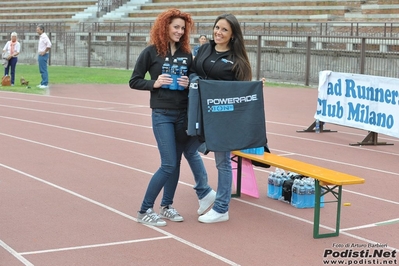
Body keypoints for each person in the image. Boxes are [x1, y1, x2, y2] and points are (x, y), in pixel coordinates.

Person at [129, 8, 216, 227]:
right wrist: (154, 83)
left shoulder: (186, 54)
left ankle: (166, 206)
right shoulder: (150, 53)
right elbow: (134, 80)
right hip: (162, 114)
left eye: (182, 29)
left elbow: (195, 77)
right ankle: (144, 209)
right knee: (168, 163)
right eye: (175, 27)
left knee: (175, 163)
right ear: (164, 27)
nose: (179, 31)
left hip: (182, 114)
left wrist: (189, 82)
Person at [192, 13, 253, 223]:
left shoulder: (238, 61)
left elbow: (242, 93)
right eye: (217, 27)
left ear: (233, 35)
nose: (219, 32)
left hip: (221, 116)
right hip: (197, 110)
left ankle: (221, 208)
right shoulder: (205, 48)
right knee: (187, 148)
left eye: (225, 29)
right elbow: (194, 70)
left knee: (223, 162)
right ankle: (204, 192)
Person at [36, 24, 52, 89]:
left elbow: (49, 45)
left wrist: (44, 52)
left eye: (38, 30)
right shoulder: (42, 36)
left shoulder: (44, 36)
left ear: (42, 30)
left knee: (43, 69)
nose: (37, 31)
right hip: (40, 54)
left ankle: (45, 83)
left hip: (43, 55)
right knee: (41, 69)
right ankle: (43, 82)